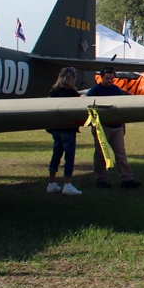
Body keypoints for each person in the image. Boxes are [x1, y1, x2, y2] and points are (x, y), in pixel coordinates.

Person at [87, 66, 141, 189]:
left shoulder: (116, 90)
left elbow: (120, 109)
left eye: (112, 78)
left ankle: (127, 178)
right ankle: (100, 179)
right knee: (101, 154)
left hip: (117, 126)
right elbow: (89, 108)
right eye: (107, 78)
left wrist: (123, 124)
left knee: (121, 154)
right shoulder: (95, 91)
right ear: (101, 77)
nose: (110, 81)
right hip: (103, 127)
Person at [47, 67, 82, 195]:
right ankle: (67, 184)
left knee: (56, 155)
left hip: (56, 127)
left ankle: (51, 182)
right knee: (69, 157)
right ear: (72, 78)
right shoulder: (72, 93)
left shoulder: (54, 91)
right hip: (68, 127)